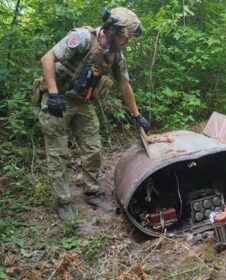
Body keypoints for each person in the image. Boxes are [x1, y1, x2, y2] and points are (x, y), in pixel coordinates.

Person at [36, 7, 149, 221]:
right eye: (124, 37)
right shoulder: (82, 38)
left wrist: (136, 115)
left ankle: (90, 192)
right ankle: (63, 201)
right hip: (58, 99)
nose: (126, 42)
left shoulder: (116, 56)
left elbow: (124, 84)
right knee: (58, 152)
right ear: (112, 30)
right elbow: (47, 59)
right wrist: (52, 94)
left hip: (83, 103)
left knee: (93, 148)